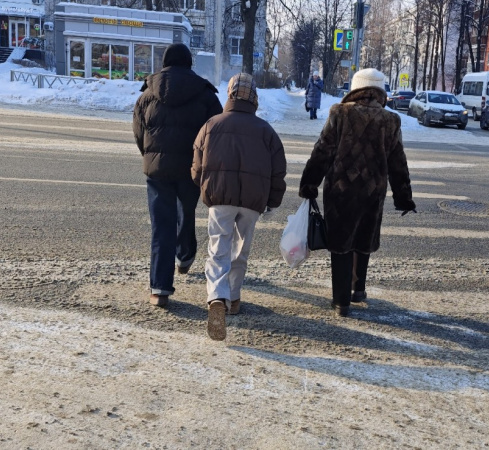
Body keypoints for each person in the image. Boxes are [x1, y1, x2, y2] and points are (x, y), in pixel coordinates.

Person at [299, 68, 415, 317]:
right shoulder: (391, 120)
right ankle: (358, 289)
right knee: (364, 236)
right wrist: (403, 197)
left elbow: (322, 151)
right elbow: (398, 162)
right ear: (380, 91)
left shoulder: (340, 113)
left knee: (340, 242)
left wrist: (309, 184)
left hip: (340, 190)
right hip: (373, 191)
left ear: (356, 88)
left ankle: (342, 301)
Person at [192, 73, 287, 340]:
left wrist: (202, 185)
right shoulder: (266, 131)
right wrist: (272, 200)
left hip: (219, 197)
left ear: (230, 94)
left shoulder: (211, 125)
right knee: (240, 250)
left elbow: (197, 164)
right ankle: (233, 299)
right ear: (254, 98)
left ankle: (216, 298)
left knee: (218, 248)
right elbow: (278, 170)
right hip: (252, 201)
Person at [133, 43, 223, 308]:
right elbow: (214, 133)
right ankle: (184, 256)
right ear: (189, 64)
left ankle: (159, 290)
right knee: (186, 211)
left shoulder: (147, 93)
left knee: (161, 225)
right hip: (190, 169)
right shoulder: (205, 94)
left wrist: (150, 155)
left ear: (164, 63)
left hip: (157, 171)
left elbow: (140, 133)